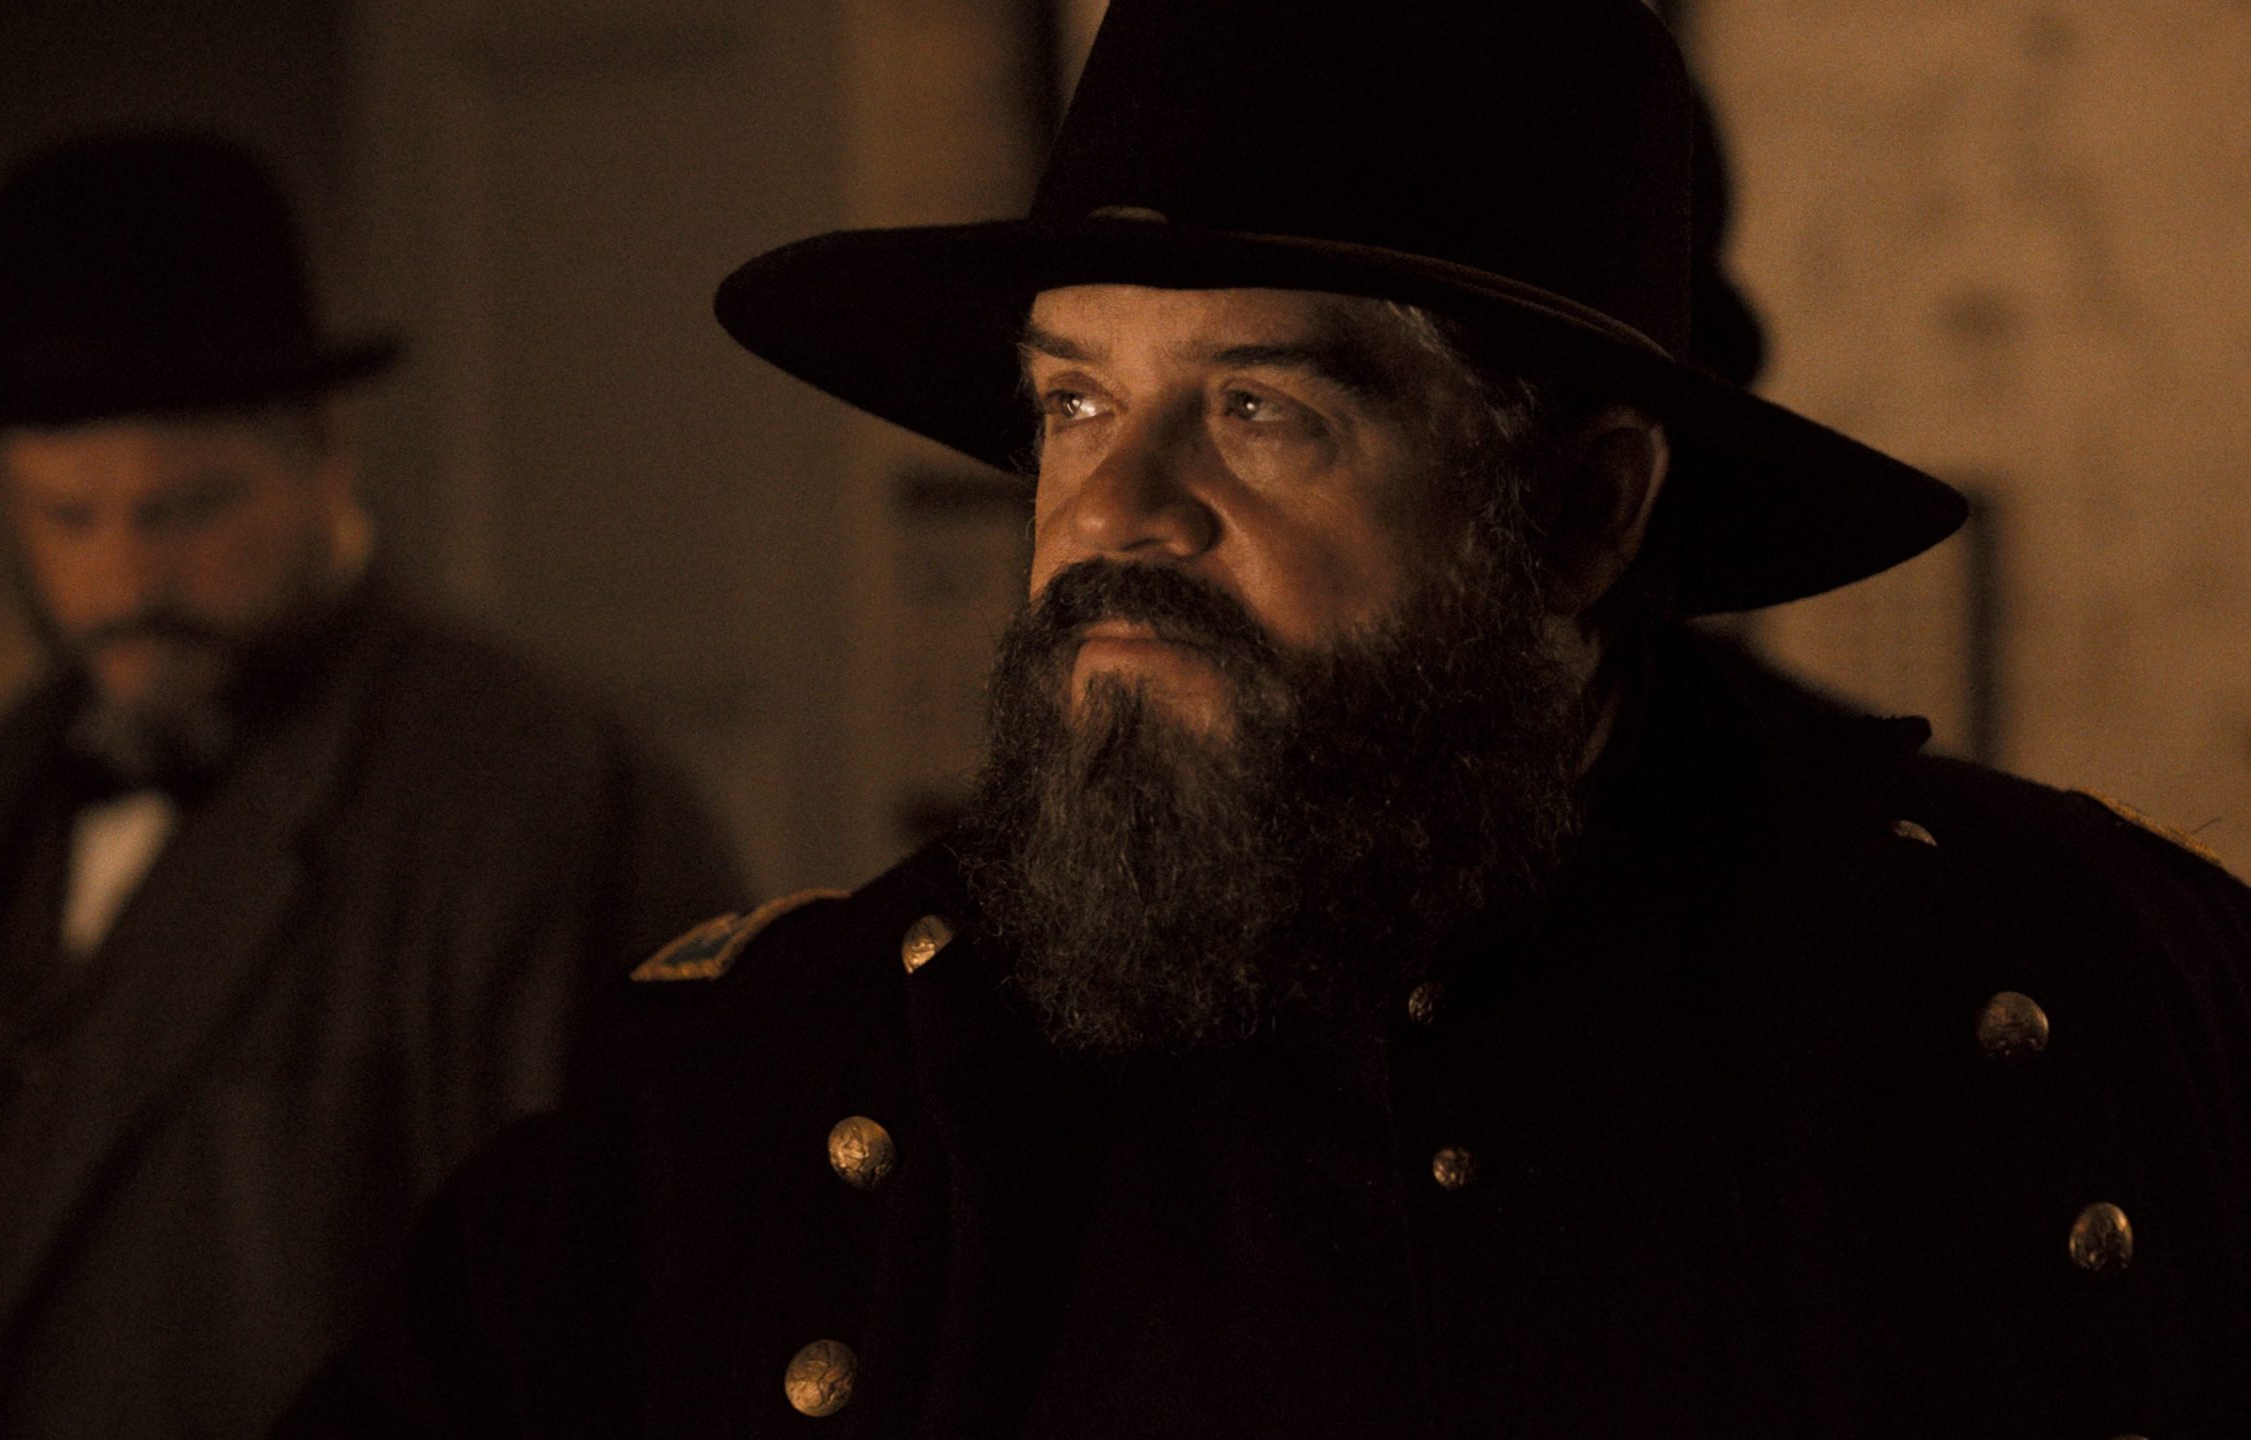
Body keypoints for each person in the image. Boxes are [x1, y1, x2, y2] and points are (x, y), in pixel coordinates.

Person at [282, 2, 2251, 1435]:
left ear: (1578, 512)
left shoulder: (2075, 996)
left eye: (1257, 409)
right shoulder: (749, 1096)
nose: (1110, 515)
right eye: (1072, 402)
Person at [0, 132, 747, 1440]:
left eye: (185, 510)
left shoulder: (535, 795)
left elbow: (629, 1324)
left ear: (326, 451)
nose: (122, 582)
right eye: (66, 516)